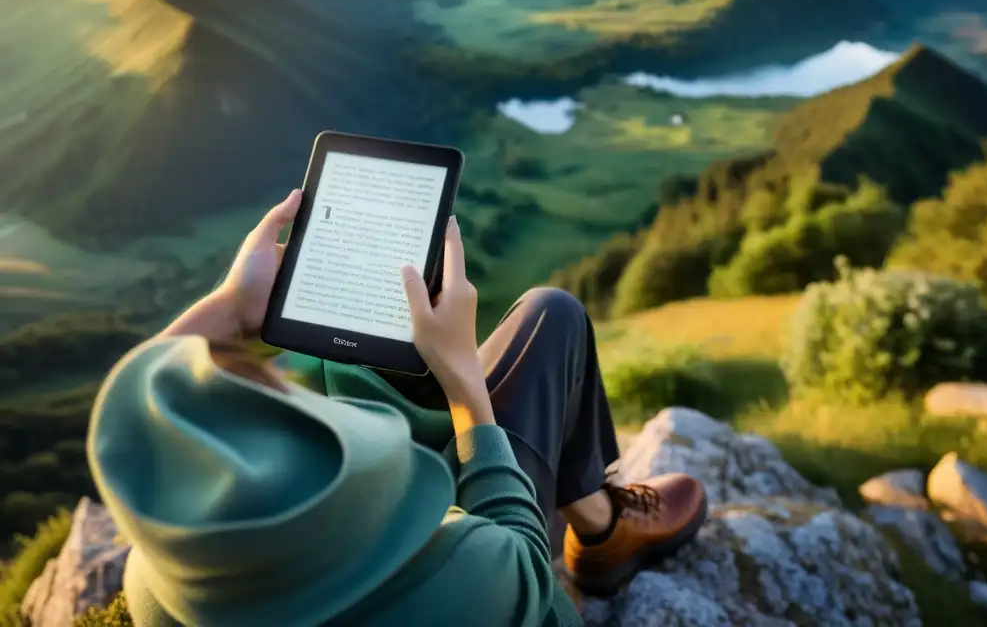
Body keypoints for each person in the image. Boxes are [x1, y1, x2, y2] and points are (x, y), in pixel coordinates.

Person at [87, 190, 707, 627]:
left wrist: (233, 306)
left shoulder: (165, 580)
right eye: (327, 429)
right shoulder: (466, 581)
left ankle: (599, 520)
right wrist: (463, 378)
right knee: (553, 315)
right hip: (498, 574)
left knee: (349, 360)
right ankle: (600, 535)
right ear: (339, 499)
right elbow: (517, 553)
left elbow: (143, 410)